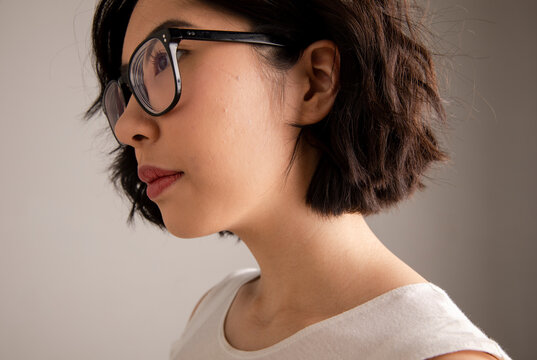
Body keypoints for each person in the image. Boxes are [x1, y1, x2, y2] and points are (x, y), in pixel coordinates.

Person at [85, 0, 512, 359]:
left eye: (164, 60)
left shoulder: (434, 354)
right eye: (128, 87)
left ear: (314, 81)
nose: (126, 127)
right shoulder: (214, 313)